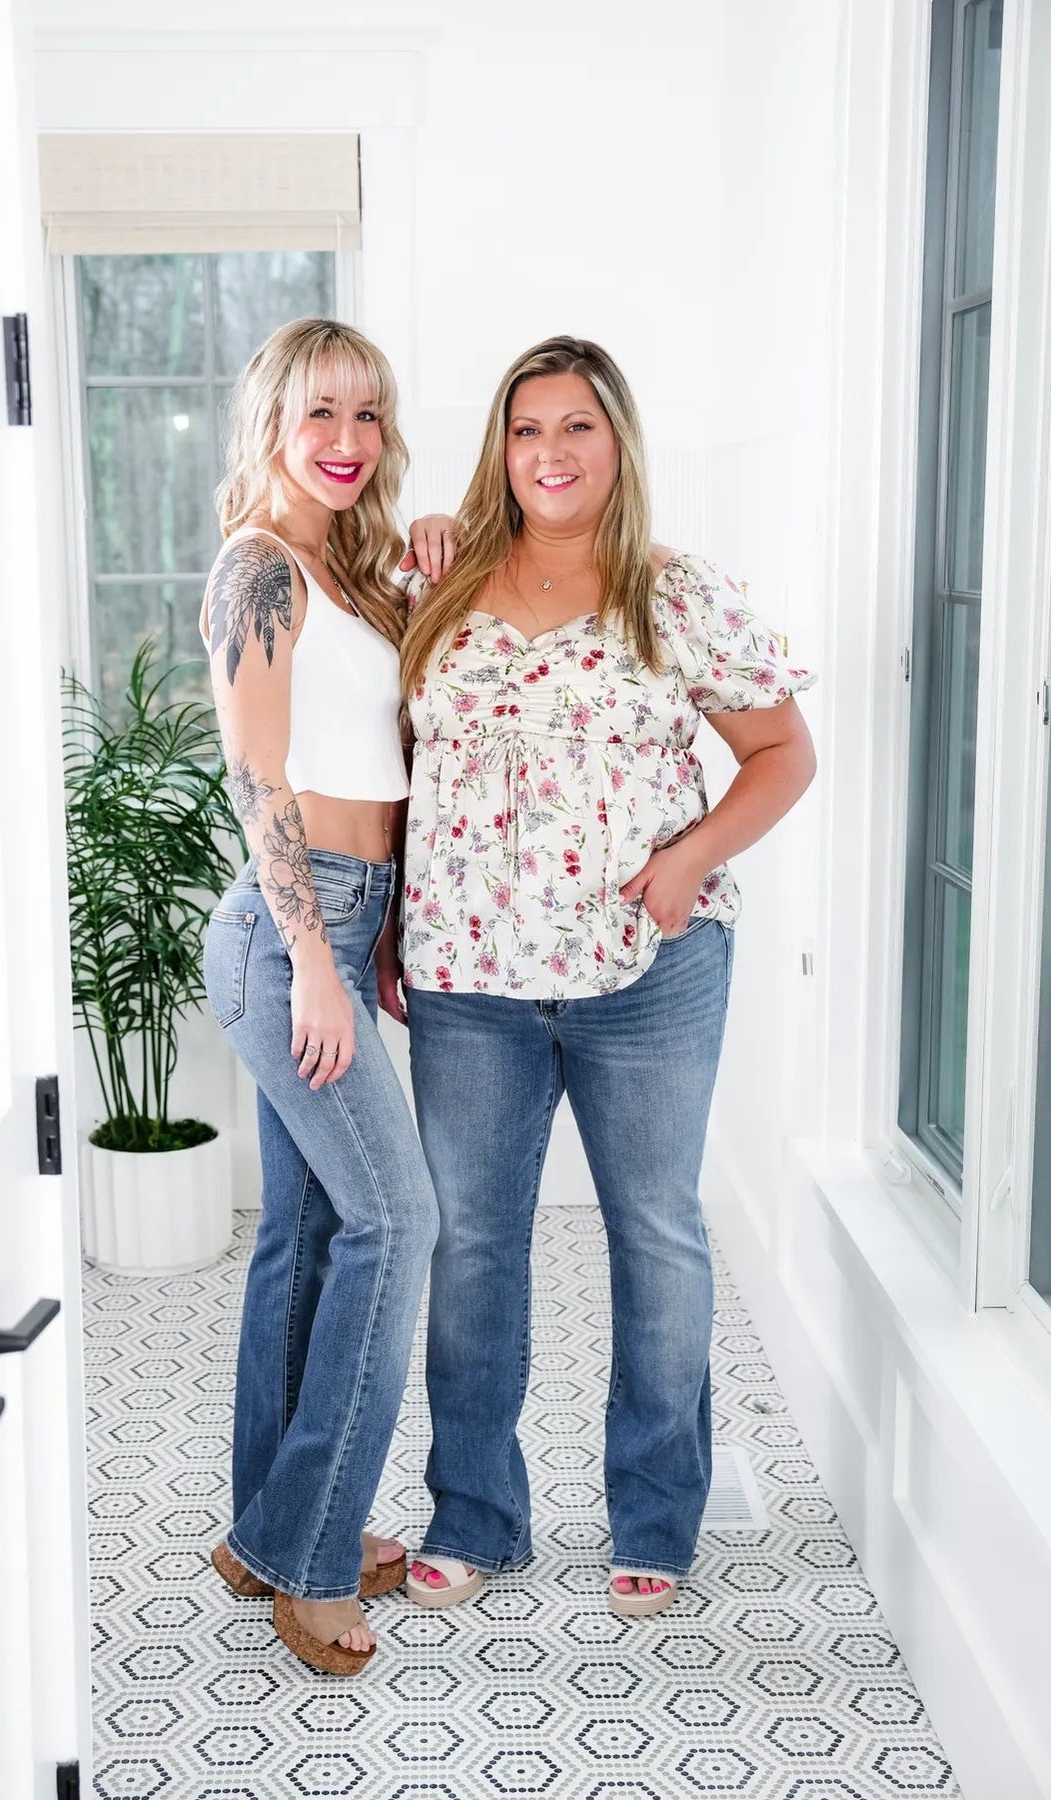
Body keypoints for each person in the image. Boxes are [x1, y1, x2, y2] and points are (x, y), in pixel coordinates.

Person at [395, 335, 816, 1617]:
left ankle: (654, 1513)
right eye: (525, 429)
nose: (550, 452)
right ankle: (474, 1512)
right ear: (499, 448)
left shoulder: (674, 594)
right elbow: (394, 765)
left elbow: (782, 755)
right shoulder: (435, 582)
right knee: (473, 1243)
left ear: (617, 442)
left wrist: (690, 858)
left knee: (655, 1234)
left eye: (575, 426)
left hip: (647, 971)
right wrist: (387, 922)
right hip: (469, 975)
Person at [199, 318, 438, 1675]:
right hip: (287, 935)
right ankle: (311, 1544)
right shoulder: (257, 569)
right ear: (273, 426)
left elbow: (380, 757)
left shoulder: (351, 571)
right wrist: (312, 962)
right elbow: (259, 777)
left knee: (303, 1233)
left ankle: (261, 1530)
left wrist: (376, 930)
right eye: (319, 415)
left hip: (351, 920)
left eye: (366, 414)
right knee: (397, 1222)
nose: (345, 441)